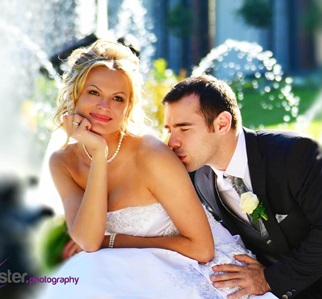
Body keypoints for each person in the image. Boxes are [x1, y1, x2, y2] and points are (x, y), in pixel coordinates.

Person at [38, 40, 277, 299]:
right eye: (93, 93)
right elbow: (89, 241)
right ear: (75, 94)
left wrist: (115, 241)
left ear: (128, 107)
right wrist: (98, 154)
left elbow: (202, 249)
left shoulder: (151, 154)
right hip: (135, 265)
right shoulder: (63, 162)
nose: (104, 107)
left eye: (117, 98)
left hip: (199, 266)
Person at [162, 74, 322, 299]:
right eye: (169, 130)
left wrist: (269, 279)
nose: (171, 142)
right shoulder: (199, 180)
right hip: (301, 288)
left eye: (184, 129)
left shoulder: (295, 154)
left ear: (222, 123)